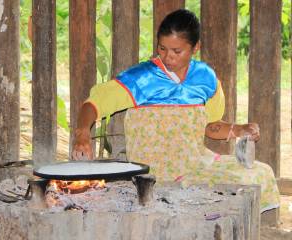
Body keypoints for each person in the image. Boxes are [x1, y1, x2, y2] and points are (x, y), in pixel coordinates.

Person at [71, 9, 279, 212]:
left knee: (259, 174)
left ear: (195, 47)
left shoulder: (206, 78)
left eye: (176, 51)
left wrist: (238, 129)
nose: (167, 57)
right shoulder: (141, 78)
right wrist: (82, 134)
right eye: (162, 49)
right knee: (213, 188)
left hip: (195, 164)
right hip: (154, 173)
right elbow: (93, 104)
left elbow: (209, 126)